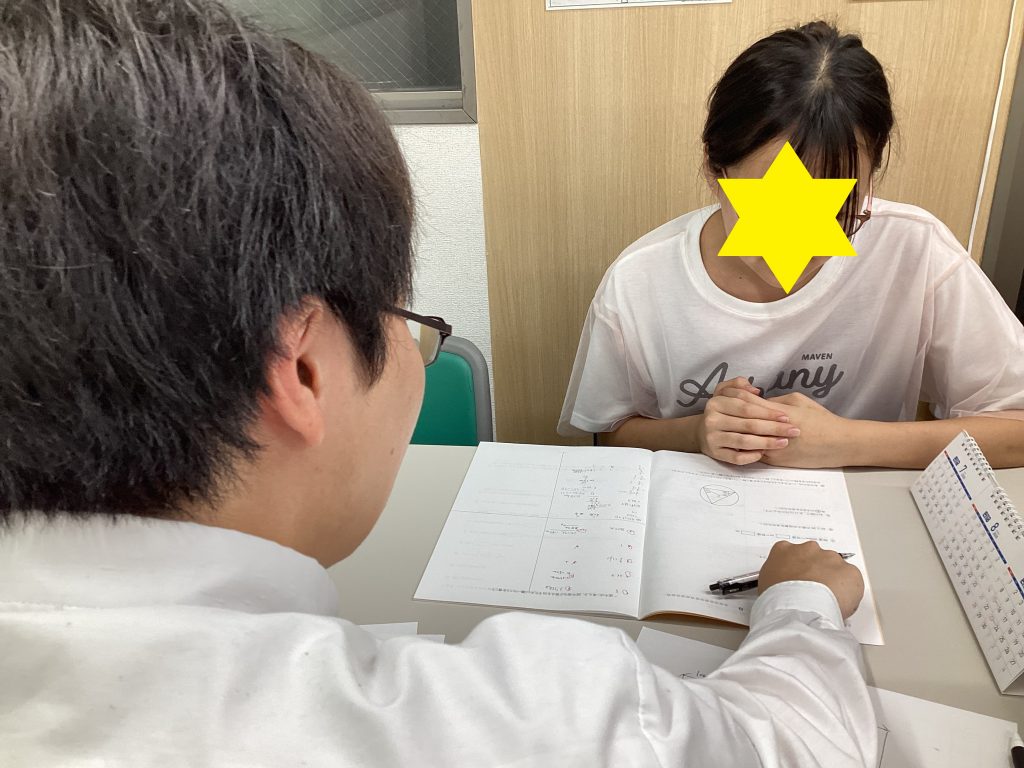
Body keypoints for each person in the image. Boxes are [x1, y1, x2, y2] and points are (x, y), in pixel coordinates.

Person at [0, 3, 875, 765]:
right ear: (304, 368)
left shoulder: (915, 252)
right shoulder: (522, 718)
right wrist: (800, 603)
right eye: (404, 314)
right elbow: (791, 743)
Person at [558, 21, 1024, 469]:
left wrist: (847, 441)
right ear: (715, 169)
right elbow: (610, 433)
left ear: (871, 177)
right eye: (771, 205)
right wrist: (697, 432)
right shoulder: (643, 278)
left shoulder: (915, 250)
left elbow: (1014, 425)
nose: (797, 241)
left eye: (836, 208)